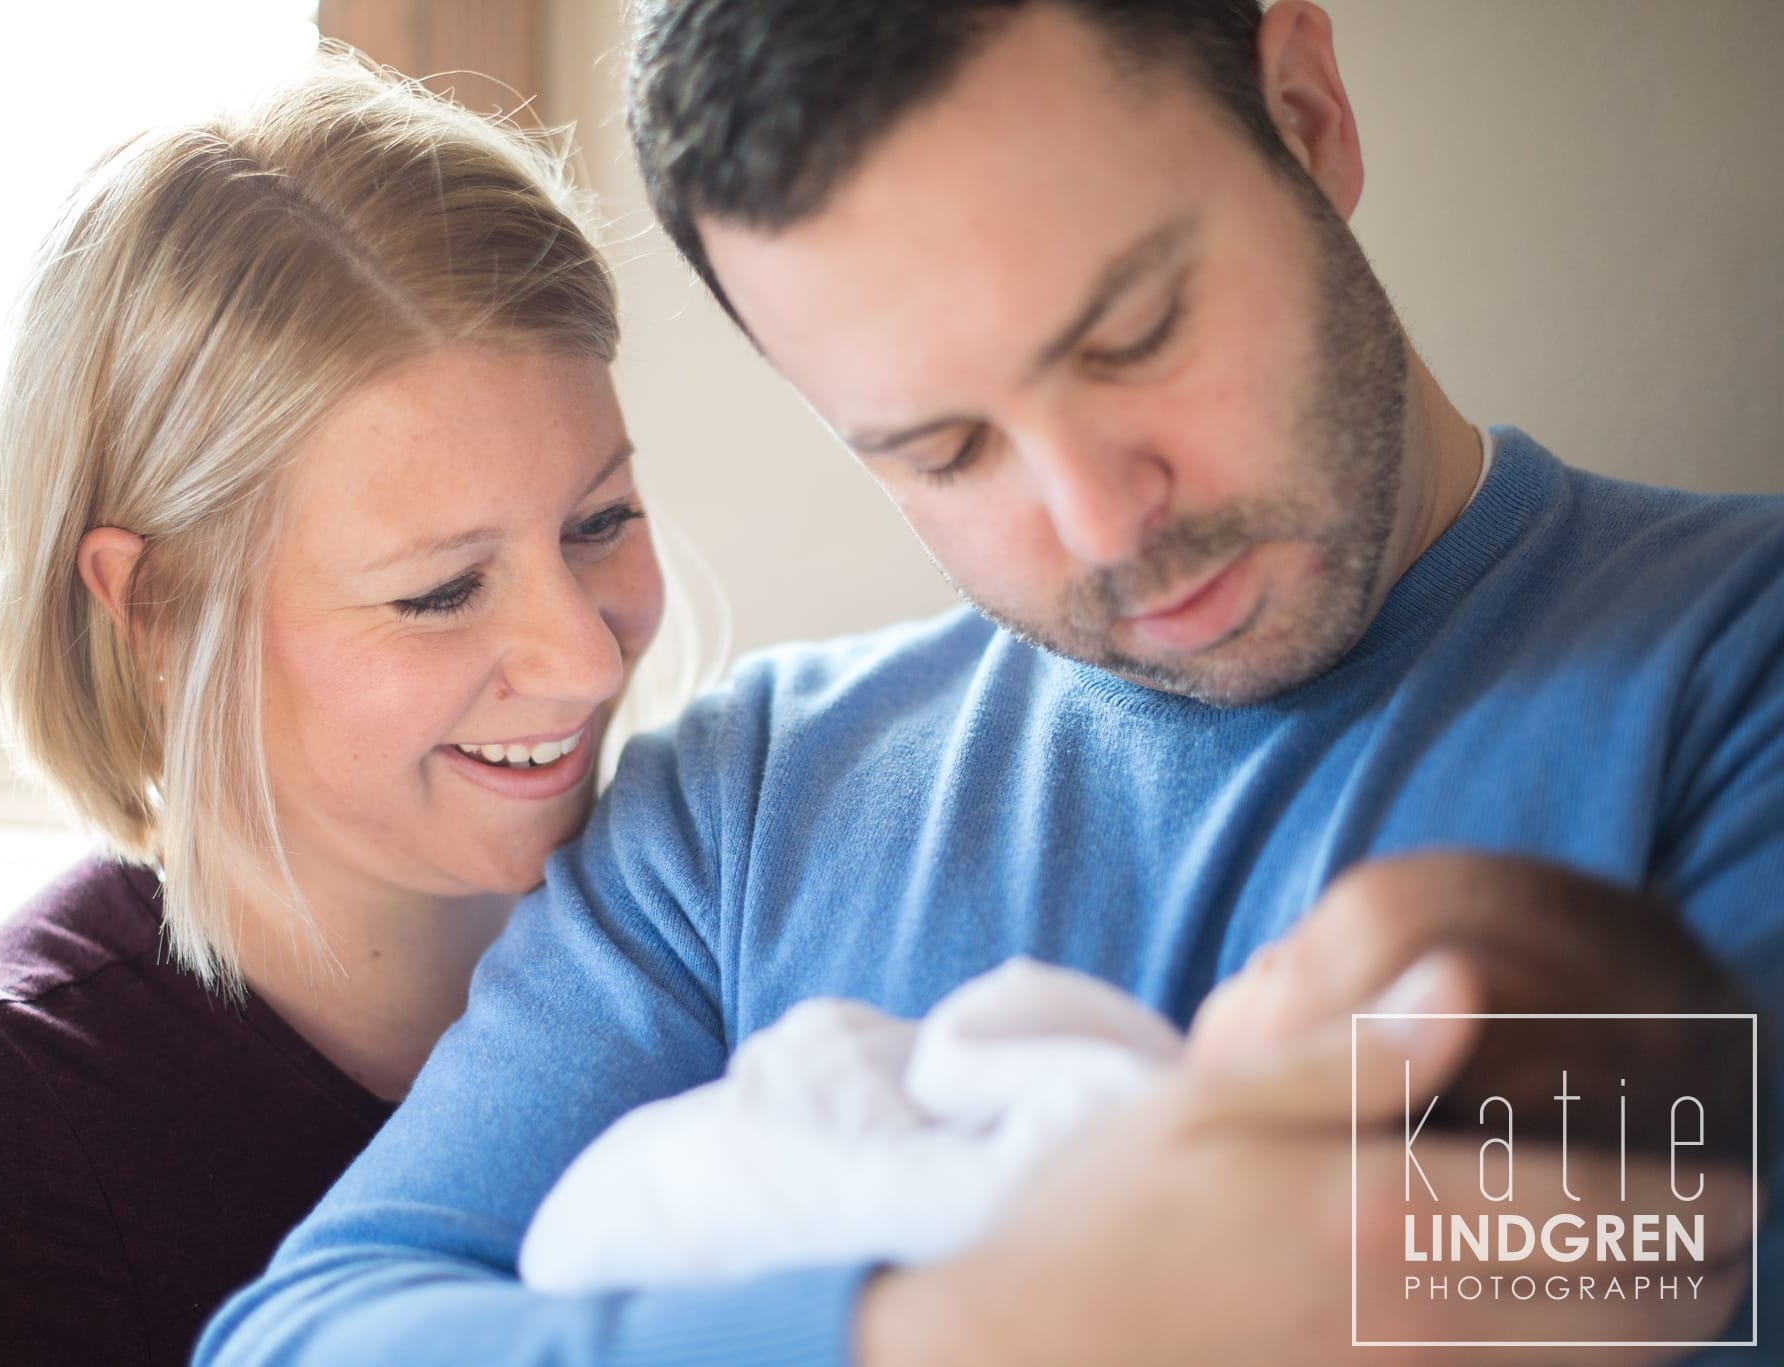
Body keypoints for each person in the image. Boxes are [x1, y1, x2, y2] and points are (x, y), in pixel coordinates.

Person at [197, 3, 1784, 1364]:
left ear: (1306, 115)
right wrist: (969, 1323)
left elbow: (1702, 1275)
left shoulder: (1734, 670)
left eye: (1136, 335)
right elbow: (314, 1329)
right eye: (943, 450)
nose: (1105, 518)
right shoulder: (741, 808)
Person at [0, 54, 678, 1367]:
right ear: (158, 612)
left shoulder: (715, 951)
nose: (583, 656)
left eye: (600, 521)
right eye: (443, 588)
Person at [516, 854, 1764, 1295]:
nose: (1264, 945)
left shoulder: (1122, 1112)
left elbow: (976, 1033)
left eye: (1300, 955)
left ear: (1371, 1078)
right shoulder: (718, 800)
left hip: (640, 1235)